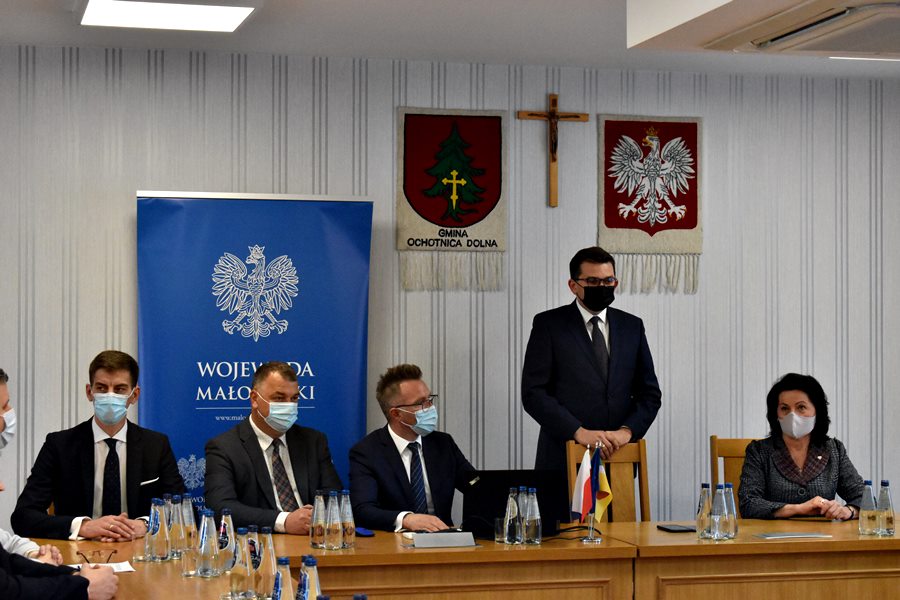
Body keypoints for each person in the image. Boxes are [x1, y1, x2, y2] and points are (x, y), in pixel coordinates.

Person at [11, 350, 185, 541]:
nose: (110, 395)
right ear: (89, 392)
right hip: (79, 552)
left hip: (138, 548)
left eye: (119, 389)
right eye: (101, 388)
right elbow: (23, 516)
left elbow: (183, 511)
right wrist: (83, 526)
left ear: (134, 395)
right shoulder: (59, 445)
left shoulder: (156, 445)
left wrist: (146, 525)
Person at [522, 246, 662, 471]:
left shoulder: (632, 326)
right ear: (573, 285)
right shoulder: (548, 325)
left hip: (619, 458)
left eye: (608, 281)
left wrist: (626, 432)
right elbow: (533, 393)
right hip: (563, 458)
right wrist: (578, 432)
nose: (602, 287)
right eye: (593, 281)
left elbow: (650, 394)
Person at [205, 361, 342, 533]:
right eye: (279, 398)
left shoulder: (313, 441)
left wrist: (316, 518)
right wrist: (284, 521)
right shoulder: (224, 447)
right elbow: (220, 508)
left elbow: (335, 498)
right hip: (262, 540)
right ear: (254, 399)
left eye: (294, 399)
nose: (289, 406)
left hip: (314, 537)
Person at [0, 404, 119, 599]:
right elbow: (8, 591)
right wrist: (83, 588)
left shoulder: (156, 444)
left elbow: (7, 555)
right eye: (4, 406)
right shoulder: (59, 444)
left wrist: (72, 576)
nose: (2, 486)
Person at [349, 364, 476, 532]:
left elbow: (474, 485)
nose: (430, 407)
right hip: (394, 542)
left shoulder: (443, 444)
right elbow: (363, 509)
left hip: (443, 539)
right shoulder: (367, 452)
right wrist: (406, 519)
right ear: (396, 414)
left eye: (429, 399)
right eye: (420, 403)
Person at [739, 373, 864, 520]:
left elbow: (865, 498)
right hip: (774, 533)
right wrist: (799, 509)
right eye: (784, 408)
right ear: (776, 414)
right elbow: (748, 503)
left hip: (823, 533)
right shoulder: (759, 451)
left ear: (817, 411)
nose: (792, 415)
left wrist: (849, 511)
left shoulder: (834, 450)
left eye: (801, 407)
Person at [0, 368, 62, 565]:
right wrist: (78, 579)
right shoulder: (58, 444)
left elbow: (5, 542)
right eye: (3, 406)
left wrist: (34, 553)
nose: (9, 412)